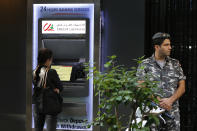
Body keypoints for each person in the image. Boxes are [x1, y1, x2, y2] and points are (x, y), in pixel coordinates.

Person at [136, 32, 186, 131]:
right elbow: (140, 86)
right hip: (152, 113)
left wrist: (170, 100)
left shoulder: (175, 64)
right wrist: (157, 100)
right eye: (166, 45)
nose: (170, 47)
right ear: (157, 47)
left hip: (172, 113)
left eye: (170, 44)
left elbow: (182, 87)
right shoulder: (145, 65)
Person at [32, 48, 63, 131]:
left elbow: (37, 85)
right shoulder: (52, 72)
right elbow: (60, 87)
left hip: (37, 103)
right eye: (51, 59)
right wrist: (56, 89)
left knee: (38, 129)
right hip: (50, 104)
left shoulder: (34, 72)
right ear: (48, 60)